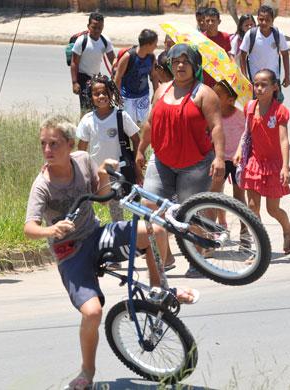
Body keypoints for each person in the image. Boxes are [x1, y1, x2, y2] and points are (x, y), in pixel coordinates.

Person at [24, 116, 199, 390]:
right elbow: (29, 227)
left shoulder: (81, 159)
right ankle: (87, 372)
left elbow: (99, 192)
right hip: (71, 252)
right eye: (43, 144)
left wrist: (104, 172)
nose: (47, 150)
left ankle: (158, 292)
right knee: (92, 313)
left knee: (155, 230)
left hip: (96, 235)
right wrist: (51, 230)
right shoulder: (42, 185)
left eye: (54, 144)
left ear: (70, 144)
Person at [136, 43, 225, 278]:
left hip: (195, 165)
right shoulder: (161, 90)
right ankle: (164, 259)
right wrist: (140, 149)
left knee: (192, 215)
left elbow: (216, 127)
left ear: (194, 65)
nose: (180, 65)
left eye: (185, 61)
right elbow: (150, 122)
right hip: (162, 160)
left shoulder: (205, 94)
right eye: (176, 61)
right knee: (150, 208)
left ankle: (197, 260)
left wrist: (219, 158)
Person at [234, 68, 290, 255]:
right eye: (256, 84)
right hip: (254, 163)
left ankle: (288, 228)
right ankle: (261, 249)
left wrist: (285, 167)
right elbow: (247, 132)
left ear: (274, 87)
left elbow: (284, 140)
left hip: (274, 165)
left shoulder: (280, 111)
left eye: (264, 85)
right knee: (252, 208)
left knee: (272, 209)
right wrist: (238, 150)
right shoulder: (250, 107)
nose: (259, 88)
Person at [77, 74, 140, 222]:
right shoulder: (87, 120)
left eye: (105, 92)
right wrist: (80, 172)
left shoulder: (121, 116)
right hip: (94, 173)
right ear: (91, 97)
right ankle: (91, 231)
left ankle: (119, 236)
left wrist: (137, 165)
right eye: (96, 93)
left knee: (116, 208)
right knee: (86, 205)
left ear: (111, 93)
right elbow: (81, 150)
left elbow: (137, 140)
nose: (101, 96)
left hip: (116, 173)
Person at [210, 80, 247, 231]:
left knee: (239, 197)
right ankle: (221, 224)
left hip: (237, 161)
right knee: (216, 194)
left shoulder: (241, 115)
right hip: (220, 160)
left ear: (231, 100)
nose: (213, 97)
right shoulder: (212, 115)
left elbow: (247, 135)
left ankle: (245, 230)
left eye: (217, 95)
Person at [240, 5, 290, 101]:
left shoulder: (278, 35)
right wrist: (244, 76)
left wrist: (287, 76)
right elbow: (243, 55)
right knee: (257, 109)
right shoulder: (251, 34)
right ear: (257, 19)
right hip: (256, 81)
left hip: (274, 80)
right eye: (261, 19)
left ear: (272, 20)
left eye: (267, 20)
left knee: (275, 107)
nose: (264, 22)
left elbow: (285, 54)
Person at [70, 12, 115, 116]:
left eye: (100, 28)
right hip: (82, 78)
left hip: (96, 79)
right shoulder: (82, 41)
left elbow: (113, 60)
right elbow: (74, 63)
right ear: (88, 26)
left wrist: (116, 72)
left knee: (98, 107)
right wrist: (74, 82)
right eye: (94, 27)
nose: (97, 30)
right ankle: (81, 131)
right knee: (86, 109)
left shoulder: (105, 40)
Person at [113, 29, 159, 126]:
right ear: (148, 44)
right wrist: (117, 96)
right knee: (128, 126)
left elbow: (154, 76)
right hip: (127, 97)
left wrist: (156, 93)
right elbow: (118, 77)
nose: (156, 46)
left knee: (142, 124)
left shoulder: (151, 57)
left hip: (143, 96)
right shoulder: (128, 57)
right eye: (155, 43)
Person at [202, 7, 232, 88]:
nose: (210, 23)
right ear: (204, 22)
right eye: (207, 21)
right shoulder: (200, 38)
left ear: (219, 21)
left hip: (221, 79)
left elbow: (228, 54)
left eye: (213, 20)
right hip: (204, 79)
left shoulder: (225, 37)